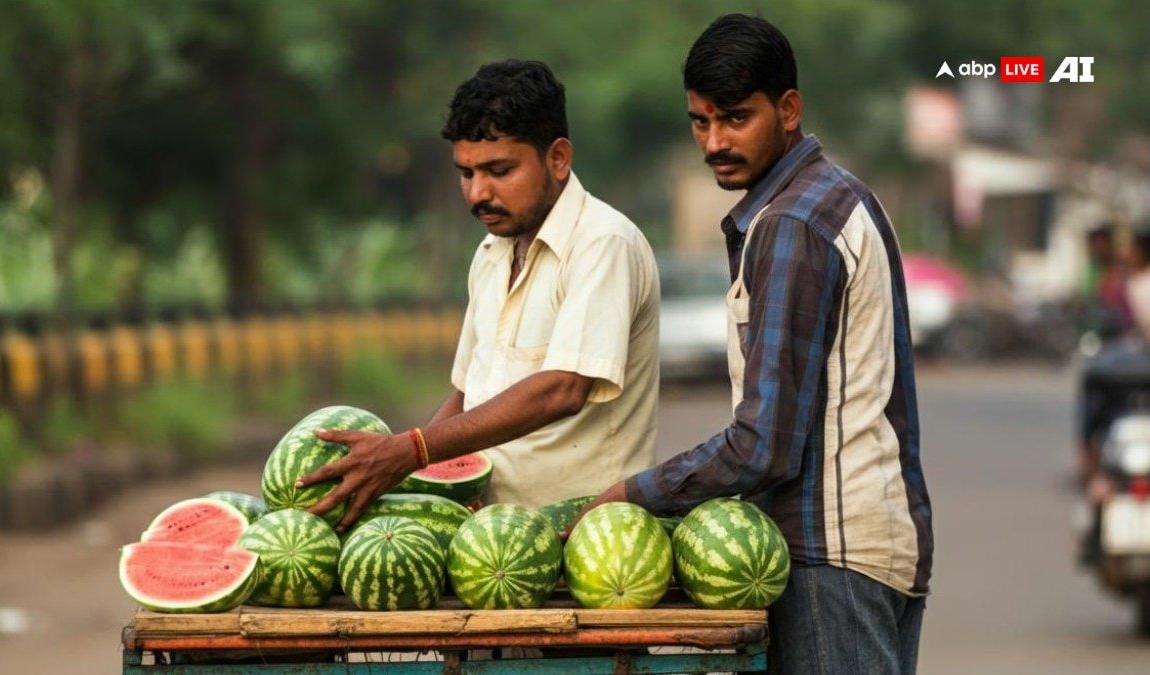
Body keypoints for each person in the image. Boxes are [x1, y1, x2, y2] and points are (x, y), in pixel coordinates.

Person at [573, 15, 932, 674]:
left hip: (832, 556)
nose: (714, 141)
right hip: (878, 542)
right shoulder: (839, 196)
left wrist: (633, 493)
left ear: (788, 109)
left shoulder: (793, 223)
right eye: (700, 122)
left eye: (735, 118)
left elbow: (761, 444)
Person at [296, 59, 661, 530]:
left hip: (587, 534)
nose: (477, 193)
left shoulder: (603, 243)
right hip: (489, 535)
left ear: (558, 158)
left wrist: (412, 449)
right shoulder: (491, 253)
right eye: (466, 173)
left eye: (499, 170)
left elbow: (564, 389)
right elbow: (468, 394)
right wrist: (416, 475)